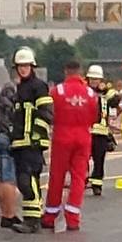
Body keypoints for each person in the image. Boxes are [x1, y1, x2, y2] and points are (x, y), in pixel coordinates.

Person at [0, 48, 49, 234]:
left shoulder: (39, 86)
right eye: (20, 66)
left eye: (26, 65)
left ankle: (33, 219)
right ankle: (31, 217)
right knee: (23, 180)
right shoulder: (20, 88)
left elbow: (46, 113)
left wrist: (36, 136)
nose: (23, 69)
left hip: (31, 143)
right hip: (19, 143)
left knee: (28, 180)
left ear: (32, 66)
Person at [43, 61, 98, 231]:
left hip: (62, 136)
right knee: (79, 177)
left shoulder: (57, 91)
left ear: (66, 71)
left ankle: (50, 215)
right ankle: (73, 217)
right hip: (83, 137)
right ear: (80, 72)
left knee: (57, 176)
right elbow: (94, 117)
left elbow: (51, 114)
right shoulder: (90, 93)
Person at [86, 65, 120, 196]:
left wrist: (106, 90)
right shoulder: (84, 91)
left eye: (97, 79)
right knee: (83, 159)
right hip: (86, 131)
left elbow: (116, 99)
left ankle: (97, 184)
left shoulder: (105, 92)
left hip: (101, 131)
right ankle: (84, 179)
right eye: (92, 79)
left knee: (99, 159)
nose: (94, 82)